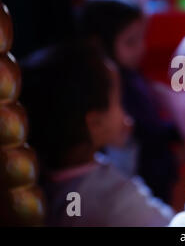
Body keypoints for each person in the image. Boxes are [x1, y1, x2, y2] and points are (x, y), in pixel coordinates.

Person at [20, 41, 174, 226]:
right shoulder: (115, 201)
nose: (126, 114)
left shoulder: (48, 182)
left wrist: (123, 143)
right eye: (119, 101)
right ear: (95, 123)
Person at [78, 0, 180, 203]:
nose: (141, 48)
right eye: (130, 42)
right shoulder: (111, 91)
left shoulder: (134, 76)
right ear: (100, 43)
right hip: (143, 184)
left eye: (141, 38)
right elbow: (145, 134)